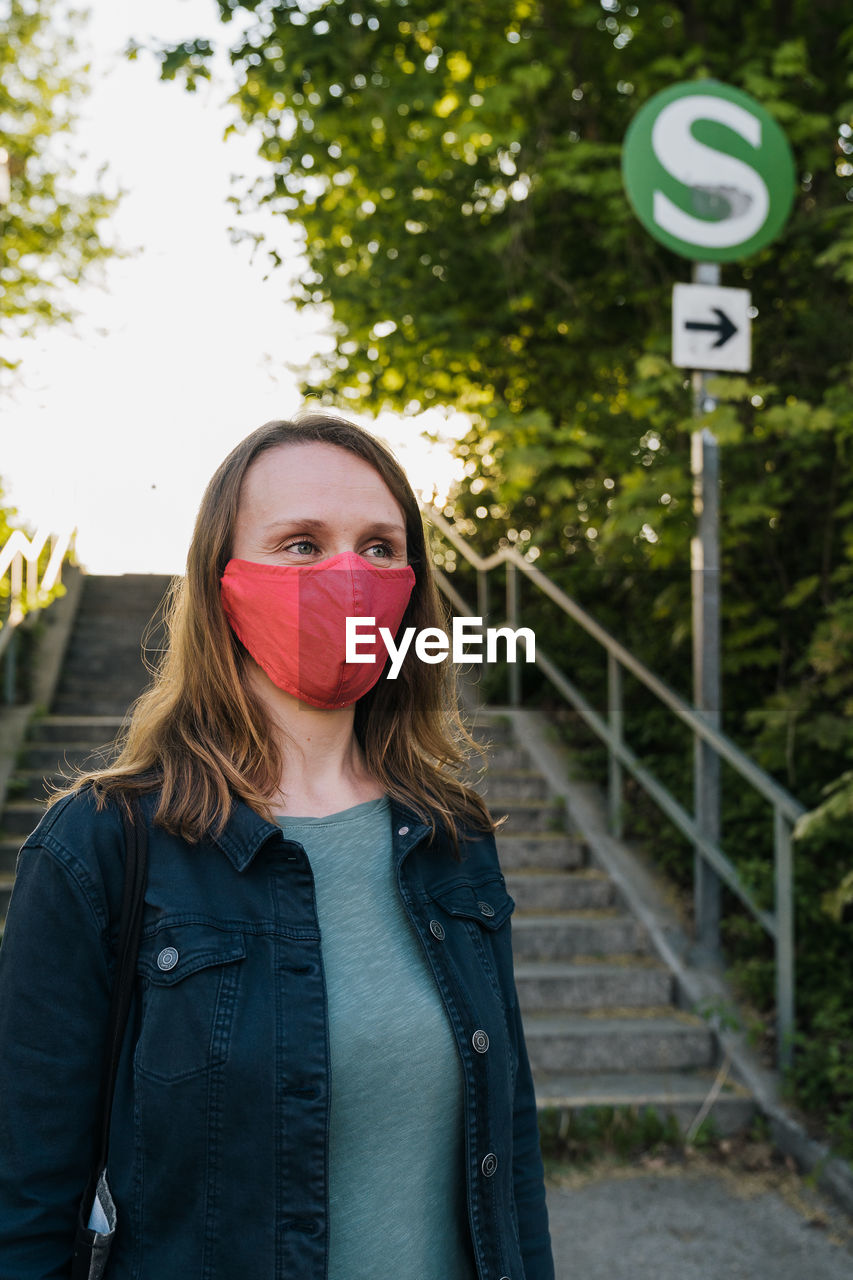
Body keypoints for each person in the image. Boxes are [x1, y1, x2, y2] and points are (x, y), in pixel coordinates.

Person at [0, 412, 555, 1279]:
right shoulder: (101, 846)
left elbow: (509, 1152)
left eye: (379, 547)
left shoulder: (453, 835)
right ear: (223, 580)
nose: (347, 574)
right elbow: (26, 1197)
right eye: (300, 543)